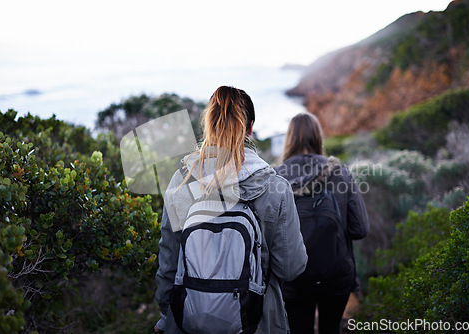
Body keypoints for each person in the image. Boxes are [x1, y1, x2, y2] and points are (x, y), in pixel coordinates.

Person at [154, 86, 307, 333]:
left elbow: (168, 265)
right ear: (251, 127)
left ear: (209, 125)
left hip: (188, 320)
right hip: (258, 321)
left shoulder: (181, 182)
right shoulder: (275, 187)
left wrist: (166, 315)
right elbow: (291, 268)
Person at [275, 112, 369, 334]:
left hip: (294, 278)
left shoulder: (276, 177)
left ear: (290, 139)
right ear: (318, 137)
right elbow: (360, 229)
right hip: (336, 275)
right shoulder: (339, 171)